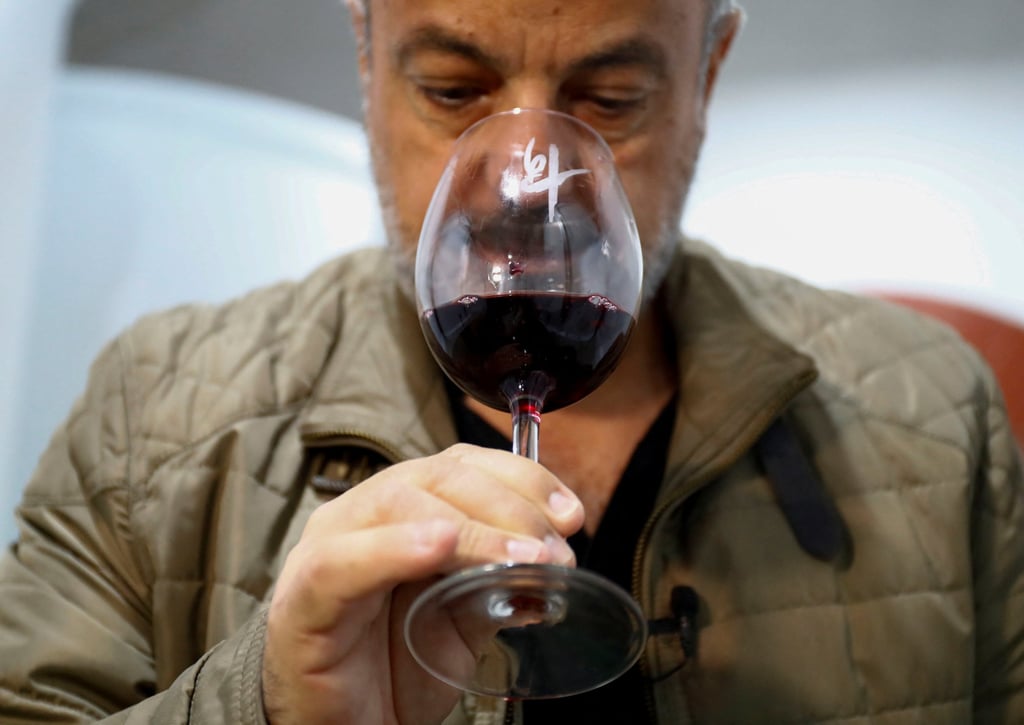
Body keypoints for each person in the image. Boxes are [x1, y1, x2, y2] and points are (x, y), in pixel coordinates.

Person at [1, 0, 1022, 722]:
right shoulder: (152, 412)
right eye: (452, 91)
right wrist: (260, 708)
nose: (525, 181)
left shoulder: (939, 411)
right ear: (366, 48)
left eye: (611, 100)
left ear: (706, 73)